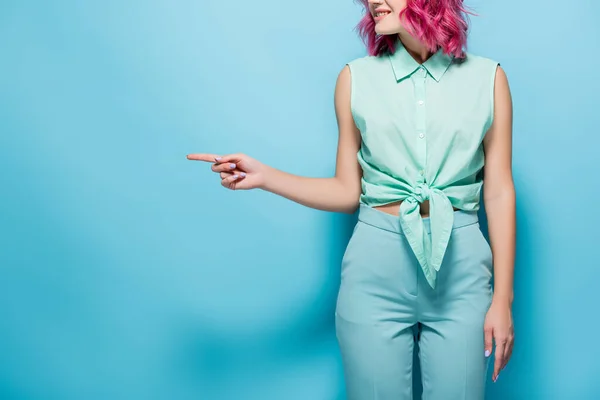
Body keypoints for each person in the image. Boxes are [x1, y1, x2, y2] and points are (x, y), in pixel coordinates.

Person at [187, 0, 516, 398]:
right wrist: (265, 177)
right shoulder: (354, 79)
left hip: (460, 271)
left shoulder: (488, 78)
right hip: (375, 269)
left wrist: (502, 297)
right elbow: (347, 190)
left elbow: (498, 192)